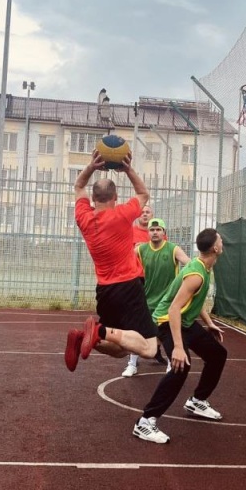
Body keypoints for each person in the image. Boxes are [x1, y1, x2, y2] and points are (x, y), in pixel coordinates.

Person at [65, 150, 159, 372]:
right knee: (150, 348)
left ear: (94, 199)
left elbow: (78, 187)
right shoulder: (122, 214)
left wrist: (90, 167)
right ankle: (99, 332)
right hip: (128, 287)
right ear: (115, 198)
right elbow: (143, 194)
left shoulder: (84, 217)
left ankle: (87, 338)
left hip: (105, 291)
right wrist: (127, 169)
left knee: (121, 349)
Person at [133, 228, 227, 444]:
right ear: (215, 248)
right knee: (180, 366)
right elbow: (174, 308)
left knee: (217, 354)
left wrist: (210, 323)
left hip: (184, 321)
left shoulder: (205, 267)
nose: (223, 242)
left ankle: (197, 401)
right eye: (220, 240)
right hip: (167, 321)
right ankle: (145, 421)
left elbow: (194, 299)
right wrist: (177, 347)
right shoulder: (196, 274)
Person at [122, 217, 189, 377]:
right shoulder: (141, 249)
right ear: (148, 233)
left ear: (164, 233)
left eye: (158, 229)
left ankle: (170, 364)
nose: (155, 232)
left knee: (169, 334)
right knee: (138, 332)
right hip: (146, 299)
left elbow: (189, 263)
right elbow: (123, 261)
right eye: (152, 230)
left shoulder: (173, 249)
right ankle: (132, 364)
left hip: (168, 302)